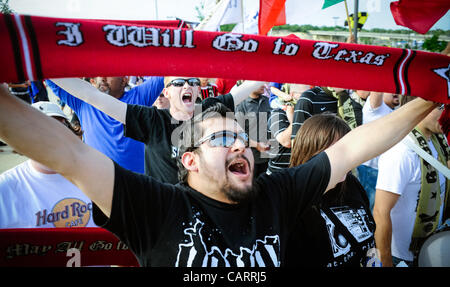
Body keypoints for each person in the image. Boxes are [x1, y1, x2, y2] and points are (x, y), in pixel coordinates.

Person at [0, 83, 439, 266]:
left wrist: (430, 95)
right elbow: (65, 152)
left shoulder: (276, 193)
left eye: (243, 139)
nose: (240, 144)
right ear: (188, 160)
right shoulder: (156, 207)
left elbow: (350, 147)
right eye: (222, 139)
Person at [50, 77, 264, 184]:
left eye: (192, 82)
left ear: (199, 90)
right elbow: (92, 96)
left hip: (204, 201)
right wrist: (38, 61)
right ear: (166, 92)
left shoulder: (207, 109)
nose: (187, 86)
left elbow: (246, 88)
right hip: (165, 206)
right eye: (179, 82)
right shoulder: (151, 120)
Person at [287, 113, 375, 267]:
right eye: (331, 153)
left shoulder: (352, 184)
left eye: (346, 151)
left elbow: (371, 241)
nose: (341, 160)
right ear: (308, 152)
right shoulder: (293, 209)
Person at [373, 103, 449, 267]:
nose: (446, 114)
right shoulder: (400, 152)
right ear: (420, 105)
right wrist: (385, 262)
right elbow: (380, 212)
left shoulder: (439, 140)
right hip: (401, 258)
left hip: (430, 249)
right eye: (441, 107)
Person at [0, 101, 96, 228]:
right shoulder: (5, 188)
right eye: (37, 130)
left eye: (58, 127)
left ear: (70, 133)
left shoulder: (97, 173)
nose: (50, 137)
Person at [46, 76, 164, 174]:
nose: (102, 78)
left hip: (140, 185)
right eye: (98, 73)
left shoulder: (140, 96)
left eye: (108, 73)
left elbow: (166, 72)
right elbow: (50, 75)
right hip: (99, 186)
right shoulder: (82, 102)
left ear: (124, 79)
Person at [358, 92, 401, 210]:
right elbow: (377, 88)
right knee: (370, 210)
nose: (396, 92)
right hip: (371, 170)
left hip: (386, 170)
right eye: (391, 89)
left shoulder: (396, 112)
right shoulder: (375, 109)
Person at [235, 83, 272, 177]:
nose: (264, 85)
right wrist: (256, 145)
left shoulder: (267, 101)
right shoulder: (241, 105)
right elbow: (238, 134)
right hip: (250, 159)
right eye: (259, 82)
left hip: (268, 158)